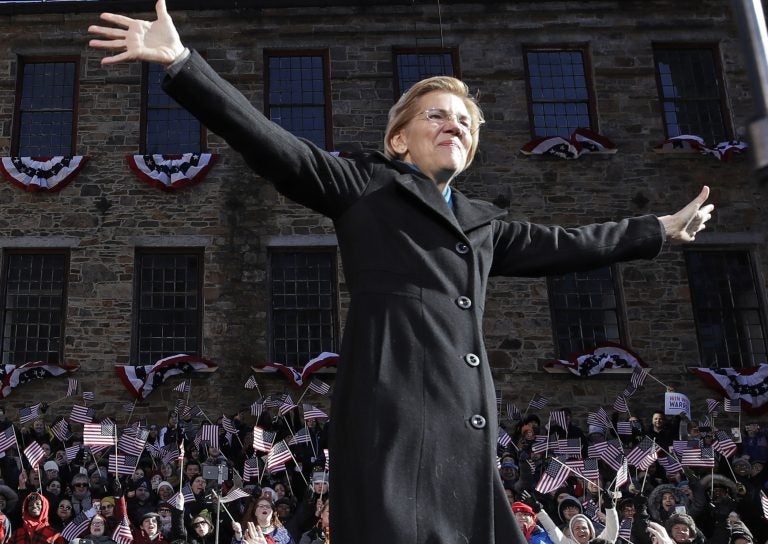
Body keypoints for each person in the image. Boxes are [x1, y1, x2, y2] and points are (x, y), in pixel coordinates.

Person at [87, 3, 714, 542]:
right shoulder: (365, 186)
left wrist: (658, 228)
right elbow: (272, 143)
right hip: (392, 408)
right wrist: (180, 63)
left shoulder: (483, 224)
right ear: (399, 141)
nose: (454, 126)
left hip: (466, 423)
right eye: (437, 116)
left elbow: (574, 244)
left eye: (465, 124)